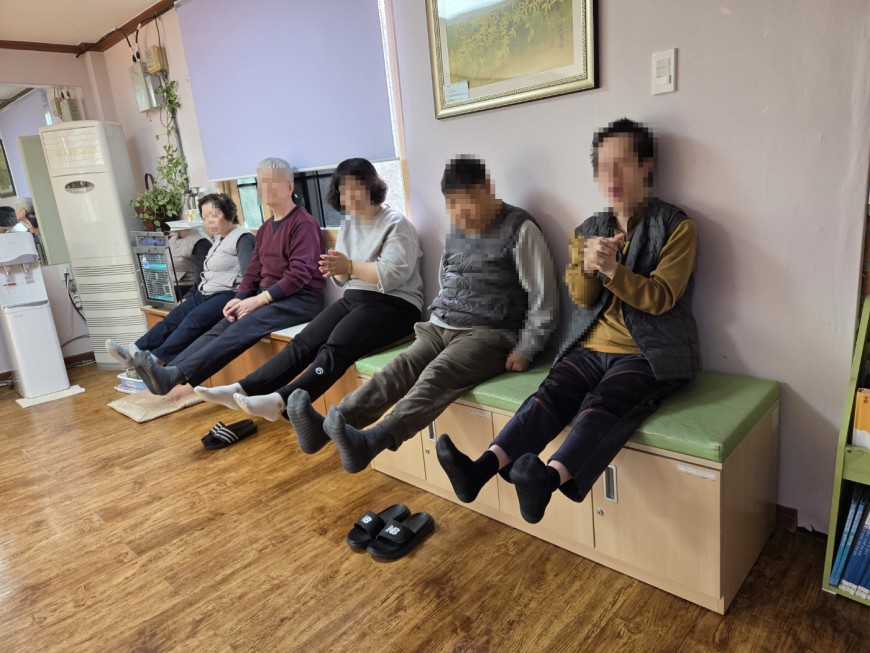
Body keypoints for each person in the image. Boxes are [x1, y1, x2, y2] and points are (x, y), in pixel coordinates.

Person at [436, 118, 700, 524]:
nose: (612, 177)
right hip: (590, 346)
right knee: (549, 394)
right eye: (604, 167)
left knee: (604, 403)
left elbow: (661, 298)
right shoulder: (588, 229)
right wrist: (590, 269)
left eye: (623, 164)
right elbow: (581, 298)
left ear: (646, 166)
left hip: (649, 354)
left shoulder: (677, 227)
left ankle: (547, 481)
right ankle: (479, 470)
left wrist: (613, 270)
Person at [286, 155, 558, 472]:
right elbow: (447, 280)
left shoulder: (519, 228)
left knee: (436, 374)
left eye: (466, 202)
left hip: (489, 332)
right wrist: (439, 317)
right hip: (440, 325)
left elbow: (544, 296)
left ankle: (372, 441)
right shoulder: (457, 230)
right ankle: (328, 428)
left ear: (486, 189)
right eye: (451, 205)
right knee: (400, 367)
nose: (459, 214)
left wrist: (527, 348)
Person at [195, 158, 424, 428]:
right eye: (343, 191)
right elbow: (343, 278)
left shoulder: (395, 223)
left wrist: (349, 266)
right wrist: (337, 268)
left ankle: (281, 401)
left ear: (372, 187)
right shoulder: (349, 224)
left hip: (395, 304)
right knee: (304, 341)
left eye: (356, 188)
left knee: (335, 346)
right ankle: (244, 388)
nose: (349, 196)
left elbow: (392, 274)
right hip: (355, 298)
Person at [132, 157, 326, 396]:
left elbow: (298, 276)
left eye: (273, 182)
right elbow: (253, 271)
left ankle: (174, 375)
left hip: (300, 299)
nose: (266, 188)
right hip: (270, 297)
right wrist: (240, 298)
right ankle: (170, 372)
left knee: (241, 327)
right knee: (223, 324)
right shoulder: (265, 228)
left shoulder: (303, 224)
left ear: (289, 187)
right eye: (262, 182)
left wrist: (257, 300)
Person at [106, 193, 255, 367]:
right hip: (206, 292)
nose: (209, 222)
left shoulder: (243, 237)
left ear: (229, 213)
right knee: (175, 316)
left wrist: (243, 301)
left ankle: (155, 360)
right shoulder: (218, 239)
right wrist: (188, 297)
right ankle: (133, 351)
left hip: (227, 294)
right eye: (205, 218)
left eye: (214, 215)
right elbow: (204, 274)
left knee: (193, 319)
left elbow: (250, 274)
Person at [166, 222, 212, 299]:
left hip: (188, 286)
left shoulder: (199, 242)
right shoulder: (172, 238)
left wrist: (187, 297)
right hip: (172, 283)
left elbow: (202, 276)